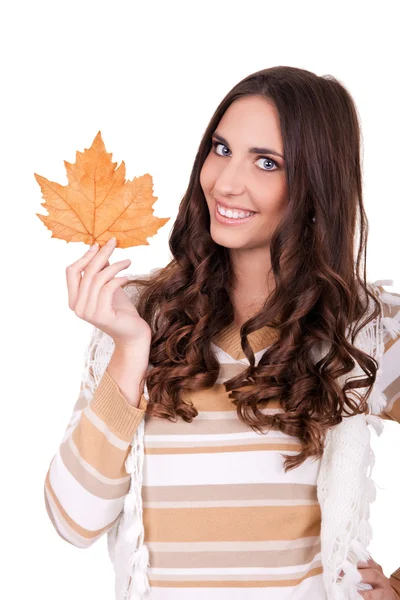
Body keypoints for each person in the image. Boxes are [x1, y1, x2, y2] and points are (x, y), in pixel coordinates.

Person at [44, 66, 400, 600]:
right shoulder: (142, 319)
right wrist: (130, 349)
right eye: (221, 148)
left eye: (267, 162)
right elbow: (74, 521)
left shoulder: (363, 331)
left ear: (316, 184)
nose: (226, 182)